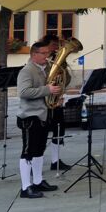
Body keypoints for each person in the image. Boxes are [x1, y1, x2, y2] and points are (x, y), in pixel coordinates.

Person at [16, 41, 60, 199]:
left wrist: (55, 96)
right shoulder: (27, 71)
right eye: (44, 53)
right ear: (34, 55)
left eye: (47, 53)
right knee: (28, 152)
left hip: (42, 114)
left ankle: (38, 181)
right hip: (29, 116)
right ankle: (25, 187)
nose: (47, 56)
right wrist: (47, 90)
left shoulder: (44, 69)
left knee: (39, 150)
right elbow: (24, 92)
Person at [40, 34, 71, 172]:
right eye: (54, 45)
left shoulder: (58, 60)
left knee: (59, 130)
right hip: (42, 101)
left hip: (56, 100)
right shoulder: (41, 60)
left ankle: (55, 160)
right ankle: (37, 161)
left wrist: (62, 73)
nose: (57, 47)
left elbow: (67, 78)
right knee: (43, 132)